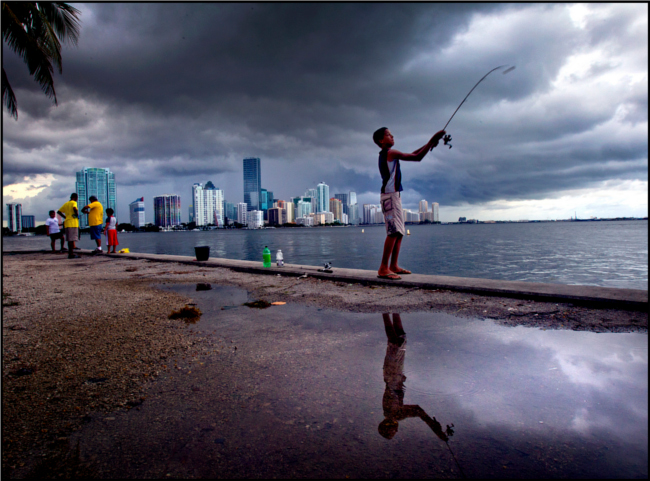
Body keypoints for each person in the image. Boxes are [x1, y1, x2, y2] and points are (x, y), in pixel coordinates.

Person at [373, 127, 446, 280]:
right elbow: (417, 157)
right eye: (388, 134)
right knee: (393, 232)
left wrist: (430, 143)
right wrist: (432, 140)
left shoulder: (389, 154)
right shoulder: (390, 153)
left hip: (394, 196)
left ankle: (393, 266)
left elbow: (414, 153)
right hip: (390, 196)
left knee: (399, 232)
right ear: (381, 140)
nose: (392, 136)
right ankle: (383, 268)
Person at [378, 313, 453, 443]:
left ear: (388, 426)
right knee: (400, 340)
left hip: (393, 376)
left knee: (395, 343)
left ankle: (385, 312)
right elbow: (417, 410)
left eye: (392, 432)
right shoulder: (390, 414)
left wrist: (436, 430)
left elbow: (418, 411)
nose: (396, 431)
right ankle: (394, 310)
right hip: (394, 376)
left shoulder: (393, 415)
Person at [57, 193, 80, 259]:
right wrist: (76, 215)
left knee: (70, 239)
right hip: (73, 223)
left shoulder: (66, 203)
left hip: (67, 223)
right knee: (71, 239)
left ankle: (71, 253)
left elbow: (59, 212)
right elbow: (75, 208)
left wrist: (65, 217)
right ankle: (71, 254)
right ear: (76, 197)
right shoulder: (74, 202)